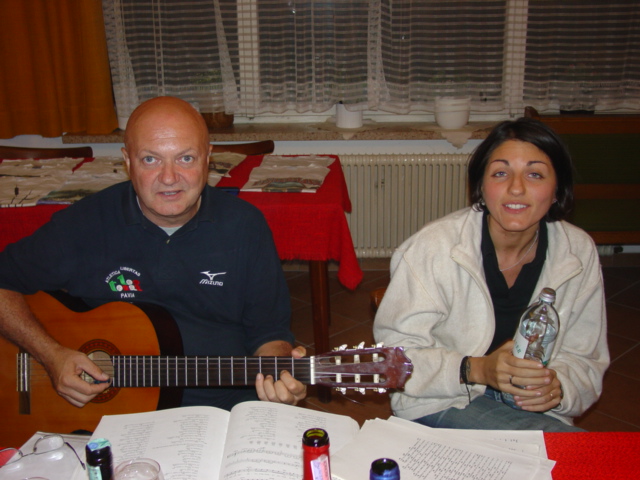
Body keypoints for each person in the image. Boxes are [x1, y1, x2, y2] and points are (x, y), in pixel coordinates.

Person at [0, 96, 306, 411]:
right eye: (150, 159)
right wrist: (50, 354)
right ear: (127, 161)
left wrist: (280, 373)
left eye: (186, 158)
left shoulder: (245, 226)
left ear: (207, 158)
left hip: (223, 407)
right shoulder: (84, 223)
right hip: (110, 415)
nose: (169, 177)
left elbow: (269, 332)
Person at [373, 117, 609, 431]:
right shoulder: (433, 247)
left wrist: (559, 387)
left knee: (571, 449)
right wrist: (478, 370)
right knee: (563, 448)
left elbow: (585, 357)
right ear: (481, 187)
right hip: (441, 399)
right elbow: (393, 359)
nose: (516, 188)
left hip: (531, 405)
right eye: (500, 173)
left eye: (535, 174)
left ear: (557, 191)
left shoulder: (577, 251)